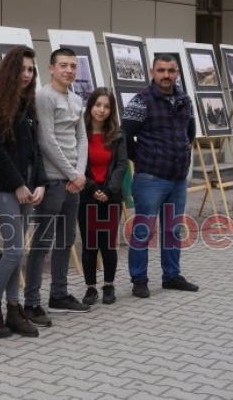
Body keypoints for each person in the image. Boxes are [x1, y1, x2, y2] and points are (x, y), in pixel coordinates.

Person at [0, 46, 46, 338]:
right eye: (23, 69)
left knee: (15, 251)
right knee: (15, 249)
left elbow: (35, 150)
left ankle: (13, 309)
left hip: (29, 187)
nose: (28, 75)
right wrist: (18, 183)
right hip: (6, 187)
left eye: (31, 70)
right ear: (10, 71)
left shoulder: (27, 104)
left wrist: (40, 182)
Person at [122, 54, 199, 298]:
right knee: (143, 231)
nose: (166, 75)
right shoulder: (140, 101)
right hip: (150, 179)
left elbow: (190, 133)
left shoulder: (184, 99)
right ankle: (139, 280)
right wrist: (143, 158)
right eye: (161, 70)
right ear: (152, 71)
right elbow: (124, 137)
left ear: (177, 73)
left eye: (171, 70)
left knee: (173, 230)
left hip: (178, 179)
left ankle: (171, 276)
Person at [24, 48, 90, 325]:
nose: (69, 70)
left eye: (73, 66)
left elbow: (82, 138)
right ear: (51, 68)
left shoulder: (76, 99)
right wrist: (70, 173)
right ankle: (31, 302)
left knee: (66, 240)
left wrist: (80, 174)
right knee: (42, 243)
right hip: (52, 180)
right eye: (63, 65)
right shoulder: (43, 97)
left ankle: (59, 294)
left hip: (73, 181)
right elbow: (46, 140)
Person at [78, 88, 127, 306]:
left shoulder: (117, 135)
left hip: (111, 197)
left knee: (107, 244)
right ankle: (90, 288)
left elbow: (121, 165)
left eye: (106, 106)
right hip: (86, 195)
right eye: (98, 105)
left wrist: (108, 190)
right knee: (89, 245)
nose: (102, 110)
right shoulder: (80, 132)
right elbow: (76, 163)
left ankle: (108, 285)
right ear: (90, 106)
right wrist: (91, 188)